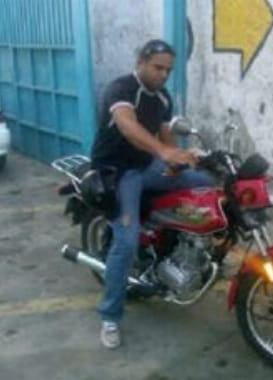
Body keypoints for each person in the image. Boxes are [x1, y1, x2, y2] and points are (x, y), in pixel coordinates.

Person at [91, 39, 214, 349]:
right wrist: (163, 152)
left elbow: (166, 138)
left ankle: (183, 248)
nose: (163, 75)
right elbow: (128, 127)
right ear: (141, 62)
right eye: (158, 67)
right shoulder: (121, 89)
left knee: (206, 181)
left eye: (168, 70)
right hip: (119, 172)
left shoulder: (162, 97)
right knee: (126, 240)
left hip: (148, 166)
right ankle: (110, 316)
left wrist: (180, 157)